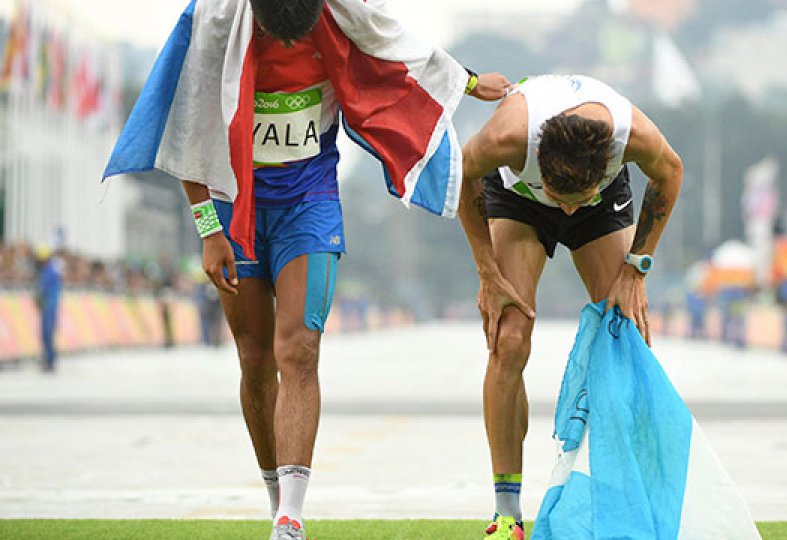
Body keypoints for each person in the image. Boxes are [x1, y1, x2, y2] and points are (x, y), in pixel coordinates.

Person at [105, 1, 510, 539]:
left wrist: (468, 81)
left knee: (298, 350)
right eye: (281, 36)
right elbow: (186, 130)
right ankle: (277, 501)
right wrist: (208, 229)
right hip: (232, 198)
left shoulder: (343, 10)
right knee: (253, 356)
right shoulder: (216, 20)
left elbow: (399, 45)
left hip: (309, 198)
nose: (293, 46)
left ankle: (291, 521)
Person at [457, 74, 683, 539]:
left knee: (626, 335)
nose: (567, 215)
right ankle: (507, 514)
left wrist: (636, 268)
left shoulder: (632, 135)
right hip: (518, 202)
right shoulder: (507, 137)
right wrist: (487, 272)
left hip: (604, 205)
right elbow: (459, 174)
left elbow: (671, 171)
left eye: (574, 204)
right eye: (562, 202)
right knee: (510, 338)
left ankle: (626, 501)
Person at [34, 245, 62, 373]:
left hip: (49, 306)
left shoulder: (49, 271)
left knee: (47, 333)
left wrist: (38, 298)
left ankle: (50, 359)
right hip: (49, 305)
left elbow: (43, 288)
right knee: (46, 333)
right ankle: (49, 358)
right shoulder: (50, 269)